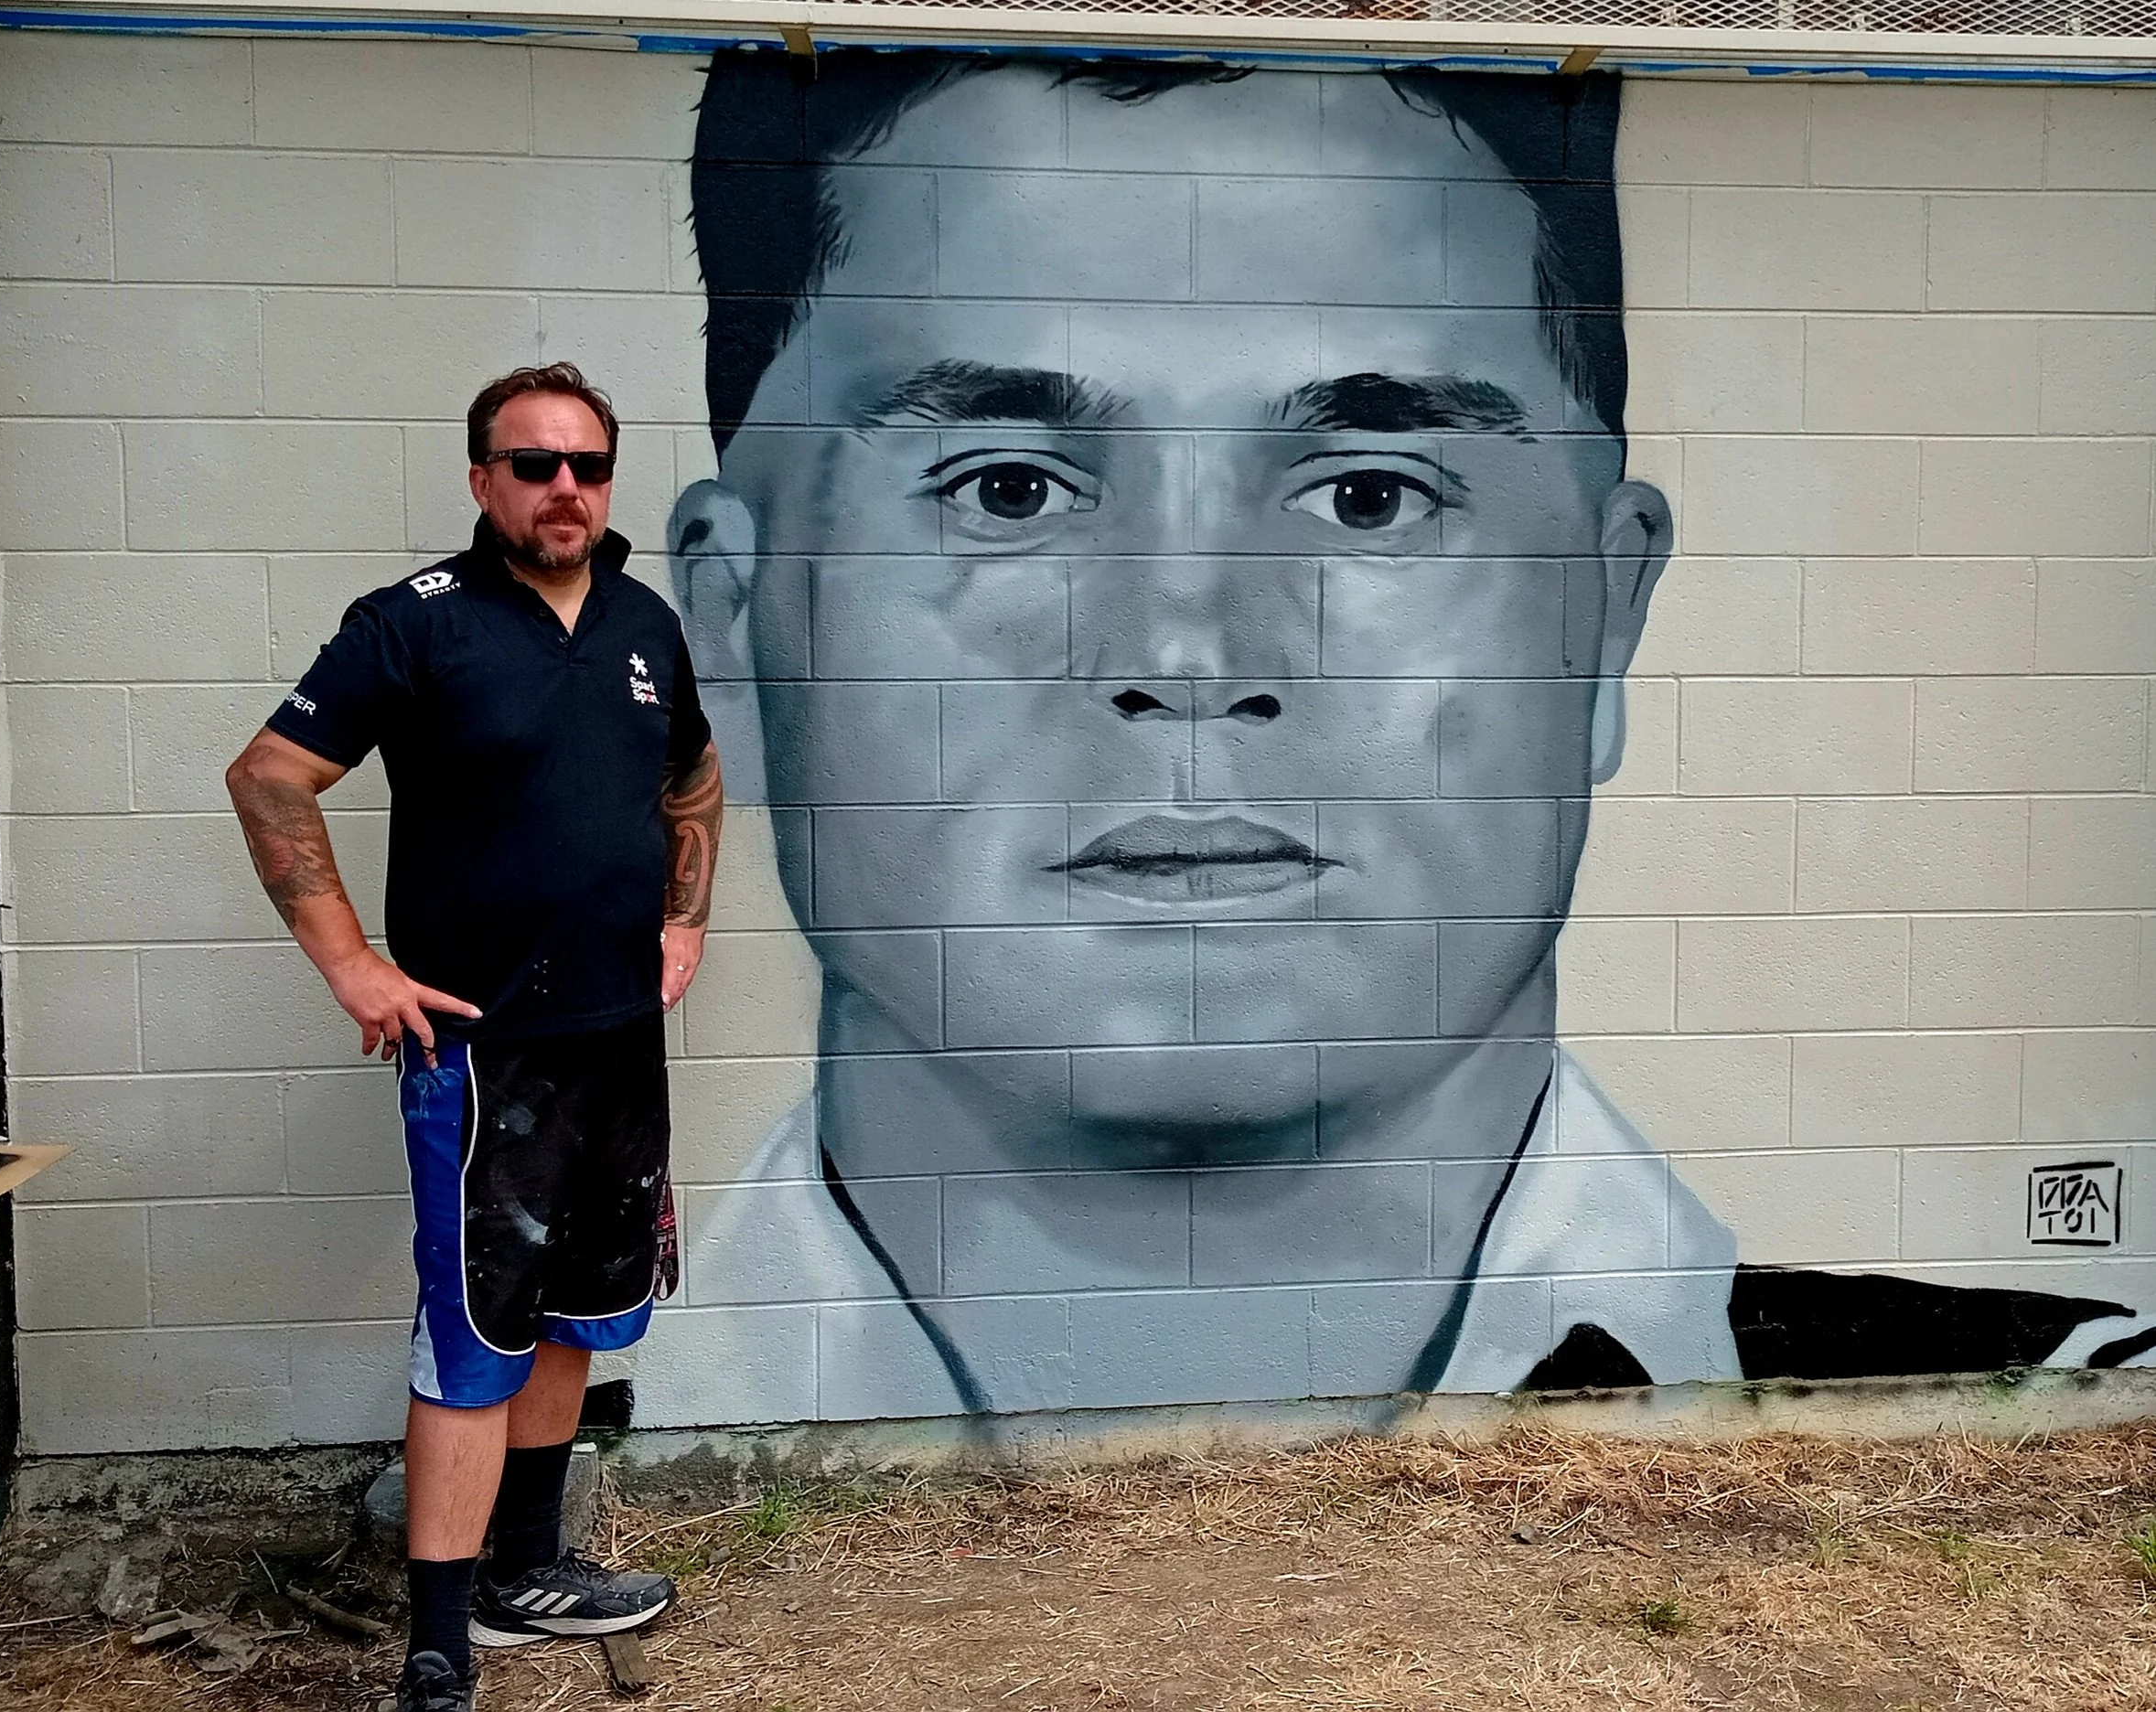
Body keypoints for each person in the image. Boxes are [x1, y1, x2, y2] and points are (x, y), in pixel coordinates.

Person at [667, 55, 2156, 1421]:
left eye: (1371, 496)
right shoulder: (552, 1421)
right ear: (733, 624)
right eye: (1007, 492)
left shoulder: (2072, 1393)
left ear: (1604, 617)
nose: (1189, 656)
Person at [226, 362, 723, 1711]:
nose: (565, 488)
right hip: (479, 1054)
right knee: (472, 1334)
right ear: (480, 478)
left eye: (588, 466)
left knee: (576, 1310)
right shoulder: (412, 626)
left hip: (620, 1035)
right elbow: (271, 777)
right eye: (533, 464)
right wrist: (350, 965)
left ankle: (528, 1571)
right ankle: (441, 1640)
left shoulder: (643, 621)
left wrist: (686, 921)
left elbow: (691, 775)